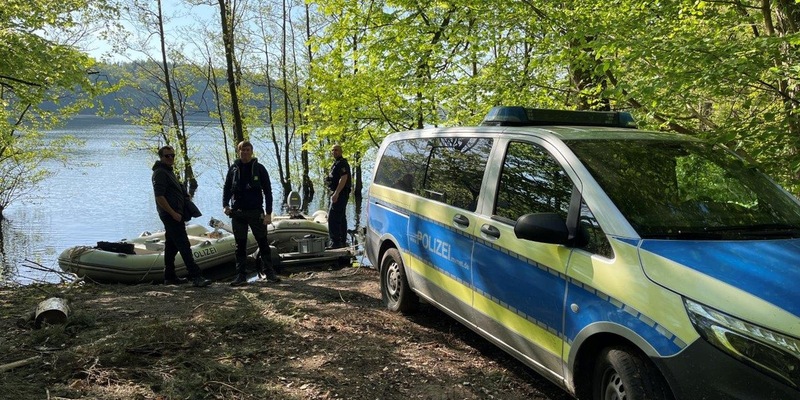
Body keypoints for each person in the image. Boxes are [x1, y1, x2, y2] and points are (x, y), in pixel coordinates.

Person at [151, 145, 211, 287]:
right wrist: (173, 213)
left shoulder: (169, 171)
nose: (170, 158)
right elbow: (159, 197)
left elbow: (172, 191)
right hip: (170, 215)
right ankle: (196, 276)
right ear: (161, 157)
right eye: (167, 156)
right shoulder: (159, 173)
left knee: (171, 246)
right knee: (184, 244)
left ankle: (169, 276)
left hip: (176, 213)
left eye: (172, 155)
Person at [223, 140, 281, 286]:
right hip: (238, 213)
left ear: (252, 151)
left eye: (247, 150)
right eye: (242, 150)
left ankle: (269, 273)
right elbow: (227, 188)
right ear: (238, 152)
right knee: (240, 245)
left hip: (256, 212)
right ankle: (241, 276)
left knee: (262, 242)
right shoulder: (234, 169)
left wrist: (268, 213)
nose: (245, 153)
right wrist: (225, 205)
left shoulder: (260, 169)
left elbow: (268, 191)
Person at [325, 144, 351, 249]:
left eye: (336, 150)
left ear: (341, 151)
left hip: (340, 194)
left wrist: (336, 193)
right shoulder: (336, 164)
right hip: (338, 193)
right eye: (332, 150)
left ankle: (335, 242)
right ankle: (342, 241)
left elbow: (344, 178)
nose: (334, 152)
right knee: (341, 217)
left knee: (333, 218)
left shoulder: (342, 163)